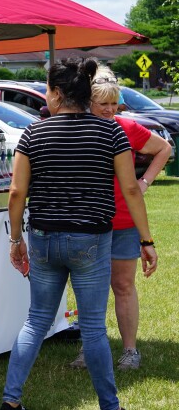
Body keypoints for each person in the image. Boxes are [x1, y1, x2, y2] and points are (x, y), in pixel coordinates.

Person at [1, 58, 156, 410]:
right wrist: (146, 240)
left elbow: (15, 192)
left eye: (46, 88)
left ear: (56, 94)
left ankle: (11, 399)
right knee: (94, 329)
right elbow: (131, 189)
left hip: (43, 238)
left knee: (35, 321)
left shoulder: (33, 133)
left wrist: (14, 240)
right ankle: (109, 404)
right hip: (92, 241)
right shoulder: (111, 132)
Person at [69, 67, 167, 371]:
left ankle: (129, 351)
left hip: (123, 220)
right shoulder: (76, 128)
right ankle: (89, 348)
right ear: (88, 103)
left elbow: (164, 149)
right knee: (89, 287)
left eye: (115, 104)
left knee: (123, 285)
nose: (111, 110)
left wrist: (144, 182)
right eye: (104, 105)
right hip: (87, 220)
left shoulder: (126, 127)